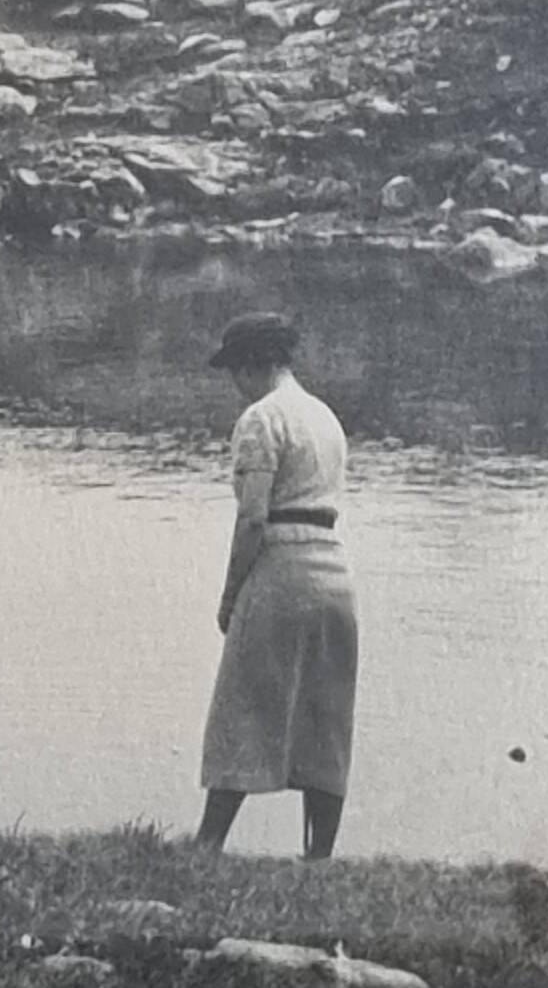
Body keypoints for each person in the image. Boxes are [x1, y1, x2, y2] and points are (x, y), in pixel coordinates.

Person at [195, 311, 359, 861]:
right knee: (326, 714)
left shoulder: (261, 419)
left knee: (242, 703)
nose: (234, 385)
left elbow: (252, 518)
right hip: (334, 567)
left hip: (283, 567)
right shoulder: (325, 416)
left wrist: (229, 594)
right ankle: (319, 858)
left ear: (253, 365)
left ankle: (208, 844)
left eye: (236, 371)